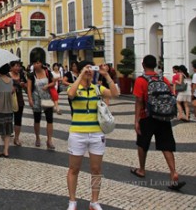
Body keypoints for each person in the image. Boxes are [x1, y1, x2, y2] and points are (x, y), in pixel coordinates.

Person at [66, 61, 118, 210]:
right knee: (73, 169)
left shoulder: (98, 88)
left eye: (91, 69)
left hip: (96, 134)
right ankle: (72, 201)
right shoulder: (74, 87)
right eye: (86, 69)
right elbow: (70, 94)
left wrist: (107, 75)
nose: (89, 71)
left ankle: (94, 201)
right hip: (77, 134)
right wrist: (81, 74)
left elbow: (115, 94)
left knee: (96, 169)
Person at [130, 55, 186, 191]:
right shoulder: (163, 79)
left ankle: (142, 169)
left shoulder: (141, 80)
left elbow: (139, 101)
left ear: (143, 65)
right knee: (166, 145)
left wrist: (136, 120)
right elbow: (171, 94)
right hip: (163, 117)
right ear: (155, 65)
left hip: (147, 117)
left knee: (142, 143)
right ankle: (173, 173)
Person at [27, 59, 56, 149]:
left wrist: (47, 86)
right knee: (37, 119)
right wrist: (30, 99)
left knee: (49, 119)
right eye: (35, 62)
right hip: (36, 99)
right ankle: (38, 138)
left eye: (38, 63)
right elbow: (29, 88)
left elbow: (53, 82)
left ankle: (49, 140)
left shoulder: (47, 72)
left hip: (47, 98)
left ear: (41, 64)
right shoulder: (31, 75)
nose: (36, 64)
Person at [9, 61, 26, 147]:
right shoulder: (7, 76)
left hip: (19, 99)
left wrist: (24, 85)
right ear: (11, 67)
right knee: (7, 118)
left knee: (18, 119)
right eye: (16, 66)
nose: (18, 68)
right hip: (8, 100)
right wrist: (11, 88)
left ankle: (16, 138)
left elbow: (26, 86)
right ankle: (5, 133)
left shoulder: (22, 75)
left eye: (19, 66)